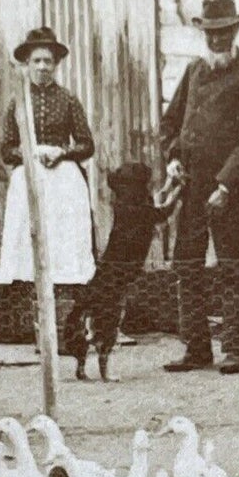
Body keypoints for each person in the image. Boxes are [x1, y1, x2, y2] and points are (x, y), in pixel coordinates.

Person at [159, 0, 239, 377]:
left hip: (226, 190)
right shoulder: (193, 72)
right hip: (189, 187)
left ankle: (236, 349)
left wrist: (224, 186)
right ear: (203, 34)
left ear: (236, 30)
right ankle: (195, 347)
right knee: (186, 266)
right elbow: (170, 123)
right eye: (211, 33)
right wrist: (173, 158)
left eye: (224, 32)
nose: (218, 40)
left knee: (230, 267)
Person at [0, 25, 96, 344]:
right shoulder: (17, 102)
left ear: (56, 65)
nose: (42, 67)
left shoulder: (69, 100)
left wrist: (62, 152)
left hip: (63, 184)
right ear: (27, 64)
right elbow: (6, 149)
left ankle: (70, 324)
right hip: (29, 181)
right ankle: (19, 326)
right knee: (25, 239)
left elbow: (87, 144)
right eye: (36, 61)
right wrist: (31, 153)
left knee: (65, 241)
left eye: (48, 61)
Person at [60, 162, 182, 381]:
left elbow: (155, 201)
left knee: (93, 314)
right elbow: (162, 212)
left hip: (108, 273)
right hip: (119, 276)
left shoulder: (126, 203)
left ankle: (81, 365)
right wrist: (179, 190)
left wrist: (169, 186)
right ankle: (104, 371)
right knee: (109, 319)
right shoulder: (136, 207)